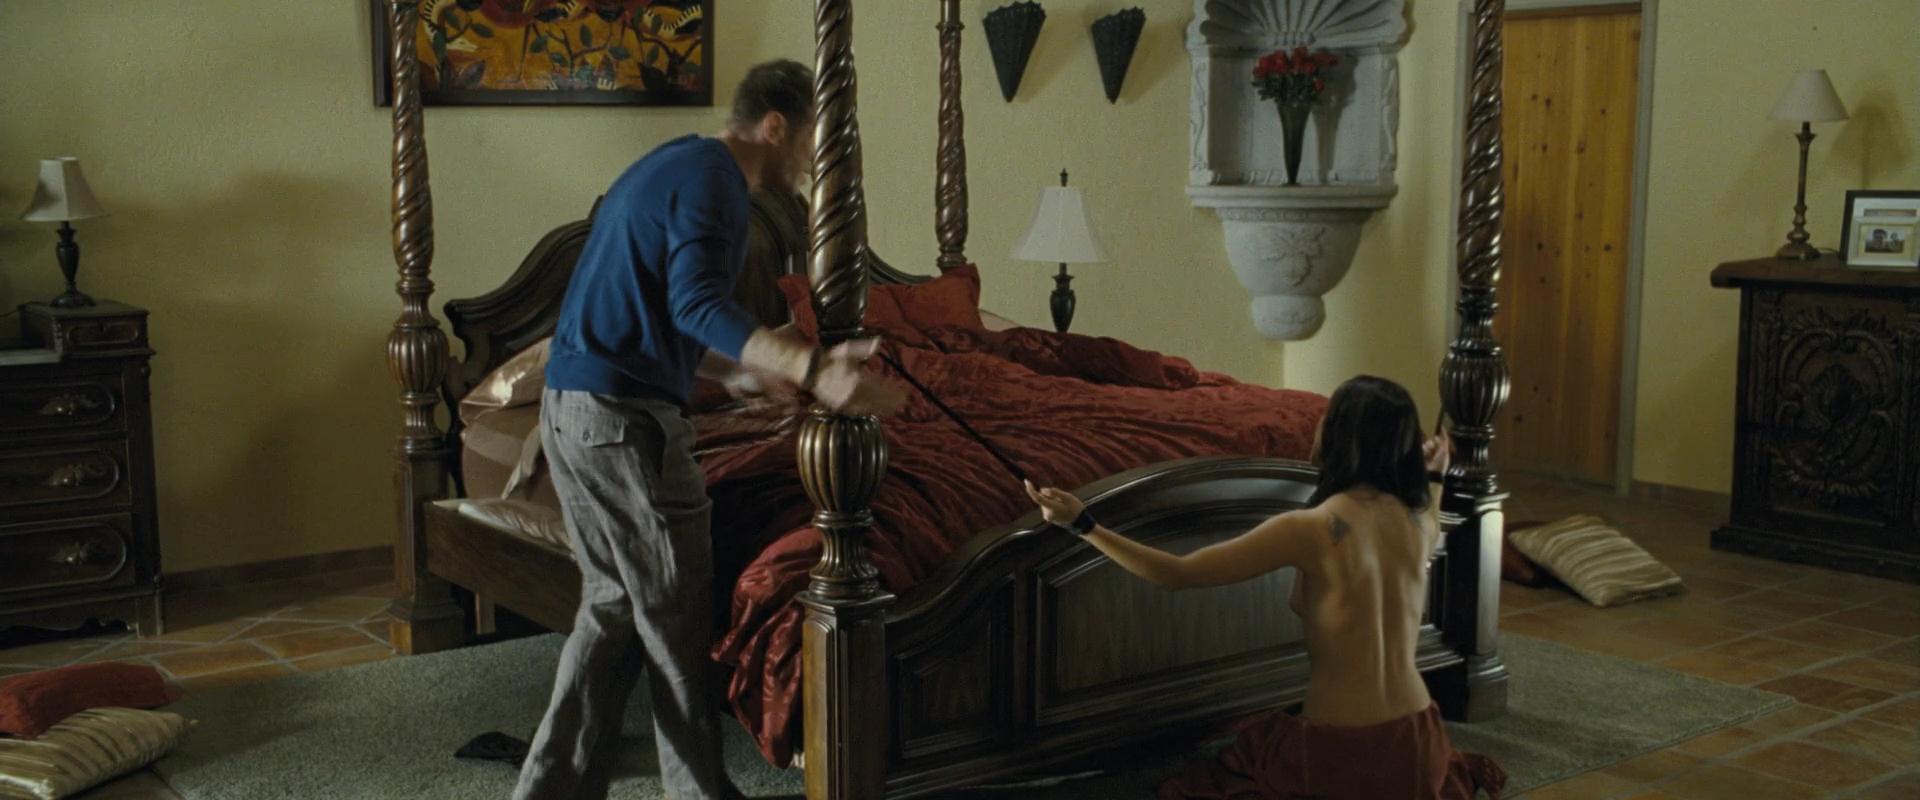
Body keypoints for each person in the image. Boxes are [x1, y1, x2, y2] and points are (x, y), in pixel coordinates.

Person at [514, 59, 906, 800]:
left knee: (614, 609)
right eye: (812, 142)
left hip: (577, 409)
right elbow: (696, 304)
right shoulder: (715, 182)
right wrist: (814, 368)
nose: (813, 164)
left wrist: (749, 373)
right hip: (622, 422)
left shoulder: (677, 165)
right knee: (673, 622)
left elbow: (665, 315)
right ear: (777, 126)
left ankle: (548, 790)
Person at [1024, 376, 1506, 800]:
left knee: (1241, 765)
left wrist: (1083, 524)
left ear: (1340, 436)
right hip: (1419, 743)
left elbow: (1177, 573)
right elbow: (1430, 507)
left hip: (1343, 753)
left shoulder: (1313, 528)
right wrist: (1436, 472)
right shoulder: (1417, 523)